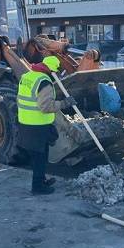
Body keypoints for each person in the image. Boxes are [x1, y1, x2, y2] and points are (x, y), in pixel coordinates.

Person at [17, 56, 76, 195]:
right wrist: (64, 103)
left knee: (39, 155)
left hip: (26, 122)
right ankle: (37, 187)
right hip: (38, 124)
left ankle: (41, 179)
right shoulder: (44, 82)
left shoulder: (28, 76)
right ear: (50, 70)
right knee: (40, 157)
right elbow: (45, 106)